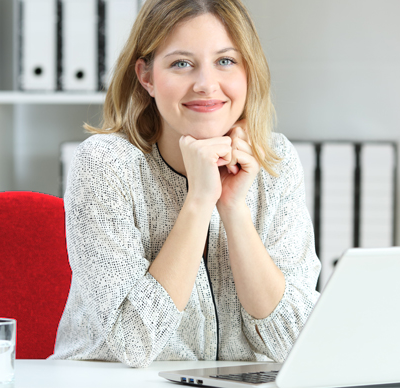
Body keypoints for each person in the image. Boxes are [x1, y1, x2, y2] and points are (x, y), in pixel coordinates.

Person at [50, 0, 320, 368]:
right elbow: (133, 342)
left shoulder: (276, 160)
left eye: (226, 61)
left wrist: (233, 209)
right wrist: (199, 200)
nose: (206, 85)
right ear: (146, 76)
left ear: (248, 71)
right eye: (181, 63)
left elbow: (298, 343)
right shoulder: (105, 165)